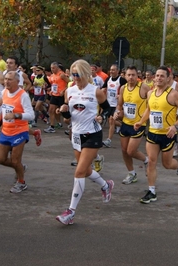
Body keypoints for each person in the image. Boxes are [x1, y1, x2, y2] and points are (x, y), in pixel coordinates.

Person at [56, 59, 114, 225]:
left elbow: (108, 108)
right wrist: (64, 112)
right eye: (73, 75)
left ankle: (70, 212)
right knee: (86, 170)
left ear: (86, 74)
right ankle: (106, 185)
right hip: (76, 134)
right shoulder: (69, 90)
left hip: (93, 134)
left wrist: (101, 116)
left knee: (79, 172)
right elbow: (69, 116)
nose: (75, 78)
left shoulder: (96, 91)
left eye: (78, 75)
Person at [134, 66, 178, 204]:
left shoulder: (173, 94)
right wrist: (141, 121)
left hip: (167, 135)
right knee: (151, 161)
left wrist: (175, 126)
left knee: (167, 164)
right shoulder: (150, 93)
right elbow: (149, 109)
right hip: (152, 133)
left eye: (162, 76)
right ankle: (151, 191)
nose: (158, 78)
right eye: (157, 75)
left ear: (168, 78)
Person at [0, 71, 35, 192]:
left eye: (10, 79)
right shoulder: (4, 92)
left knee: (16, 160)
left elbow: (31, 115)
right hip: (5, 131)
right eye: (5, 79)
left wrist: (16, 115)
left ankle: (21, 182)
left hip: (19, 131)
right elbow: (5, 109)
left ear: (17, 81)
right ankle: (20, 168)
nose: (6, 81)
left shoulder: (23, 95)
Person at [113, 66, 149, 184]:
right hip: (126, 123)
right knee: (124, 150)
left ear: (137, 76)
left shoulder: (143, 87)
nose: (131, 77)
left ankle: (146, 160)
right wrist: (118, 112)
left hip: (138, 124)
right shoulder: (123, 88)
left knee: (131, 151)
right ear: (125, 76)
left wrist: (145, 119)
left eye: (133, 75)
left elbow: (151, 105)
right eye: (129, 75)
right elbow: (120, 105)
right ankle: (132, 173)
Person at [101, 64, 127, 147]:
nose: (111, 71)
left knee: (111, 120)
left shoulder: (122, 80)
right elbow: (103, 87)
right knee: (111, 121)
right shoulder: (108, 79)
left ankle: (109, 140)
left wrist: (121, 95)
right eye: (110, 69)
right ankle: (123, 126)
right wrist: (103, 90)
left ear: (117, 71)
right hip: (109, 103)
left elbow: (127, 90)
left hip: (117, 104)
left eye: (113, 70)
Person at [44, 62, 69, 133]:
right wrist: (51, 90)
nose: (52, 69)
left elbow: (70, 83)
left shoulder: (62, 75)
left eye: (53, 68)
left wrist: (64, 91)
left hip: (61, 96)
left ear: (57, 68)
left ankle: (72, 124)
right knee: (51, 110)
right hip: (54, 95)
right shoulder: (52, 75)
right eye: (51, 68)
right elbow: (54, 84)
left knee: (63, 112)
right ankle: (52, 127)